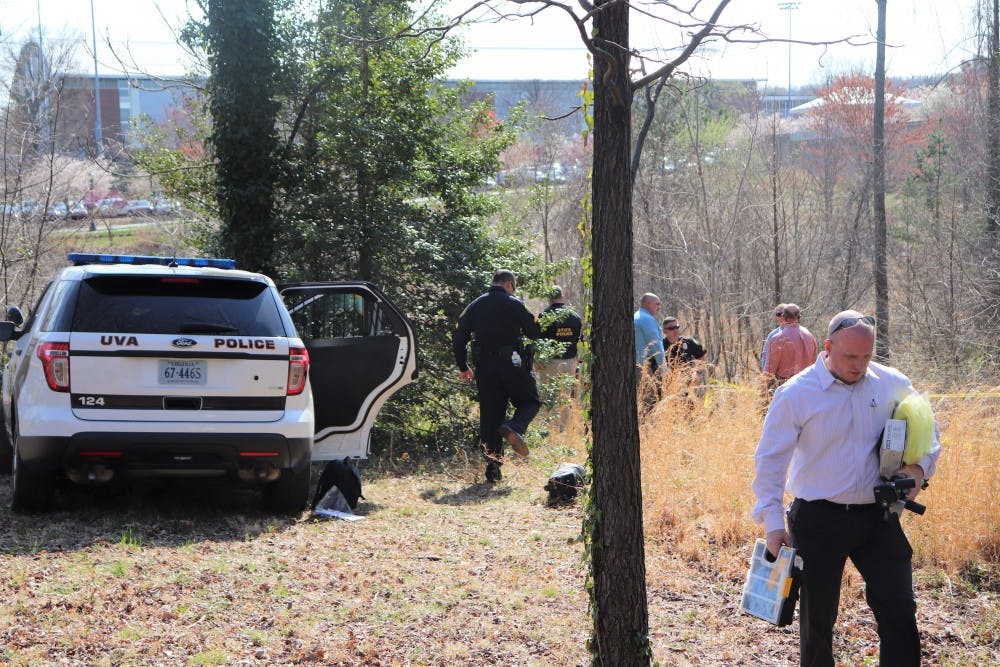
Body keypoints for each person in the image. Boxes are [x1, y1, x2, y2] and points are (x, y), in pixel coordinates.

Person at [751, 310, 941, 667]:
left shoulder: (891, 383)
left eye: (866, 357)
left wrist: (918, 469)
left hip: (877, 516)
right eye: (850, 357)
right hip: (817, 518)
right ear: (827, 347)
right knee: (817, 622)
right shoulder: (796, 393)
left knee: (899, 608)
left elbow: (930, 430)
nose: (859, 366)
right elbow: (770, 461)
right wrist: (774, 524)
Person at [452, 269, 542, 483]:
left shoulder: (474, 306)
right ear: (509, 283)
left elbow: (457, 339)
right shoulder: (514, 303)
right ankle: (514, 427)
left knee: (491, 416)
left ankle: (493, 468)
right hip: (512, 364)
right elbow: (535, 331)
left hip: (485, 368)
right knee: (531, 401)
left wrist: (463, 366)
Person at [536, 286, 583, 381]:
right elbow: (580, 341)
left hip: (550, 363)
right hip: (570, 363)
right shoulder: (575, 316)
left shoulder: (544, 316)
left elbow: (538, 339)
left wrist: (538, 360)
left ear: (549, 298)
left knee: (549, 395)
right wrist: (578, 361)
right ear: (562, 297)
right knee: (566, 395)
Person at [764, 303, 817, 387]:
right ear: (800, 317)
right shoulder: (810, 336)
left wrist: (763, 392)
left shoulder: (777, 339)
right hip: (807, 385)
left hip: (785, 386)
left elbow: (769, 371)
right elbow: (815, 365)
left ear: (784, 317)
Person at [633, 293, 665, 411]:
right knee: (649, 400)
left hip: (636, 365)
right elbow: (656, 345)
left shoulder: (636, 317)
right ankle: (647, 427)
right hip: (642, 367)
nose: (659, 307)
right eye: (657, 304)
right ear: (648, 304)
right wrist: (664, 369)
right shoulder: (647, 319)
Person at [761, 303, 787, 370]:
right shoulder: (772, 335)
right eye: (778, 314)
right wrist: (765, 376)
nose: (781, 316)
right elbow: (765, 355)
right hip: (776, 376)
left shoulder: (798, 333)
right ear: (776, 317)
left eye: (784, 314)